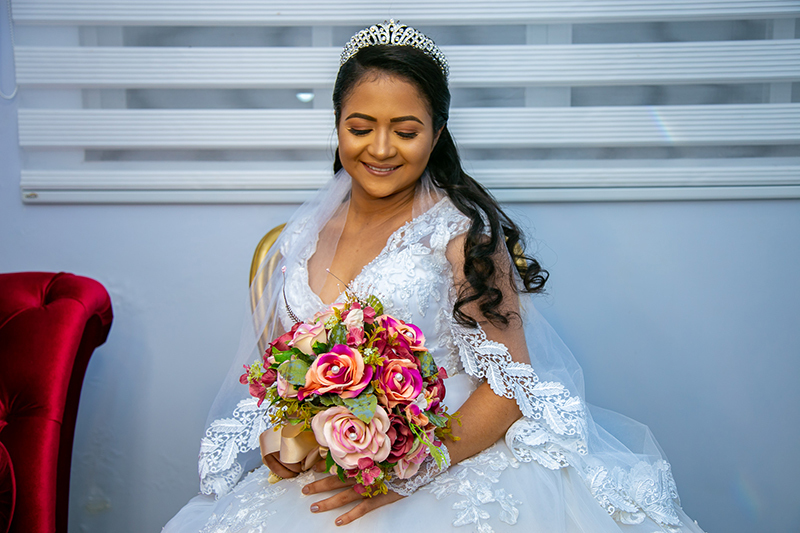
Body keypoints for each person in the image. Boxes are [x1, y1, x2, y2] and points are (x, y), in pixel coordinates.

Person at [164, 21, 704, 533]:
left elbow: (511, 388)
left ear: (437, 131)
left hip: (449, 458)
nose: (379, 148)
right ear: (336, 126)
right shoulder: (301, 236)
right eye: (360, 128)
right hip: (328, 473)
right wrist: (280, 435)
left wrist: (411, 470)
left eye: (405, 130)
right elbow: (277, 374)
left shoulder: (462, 239)